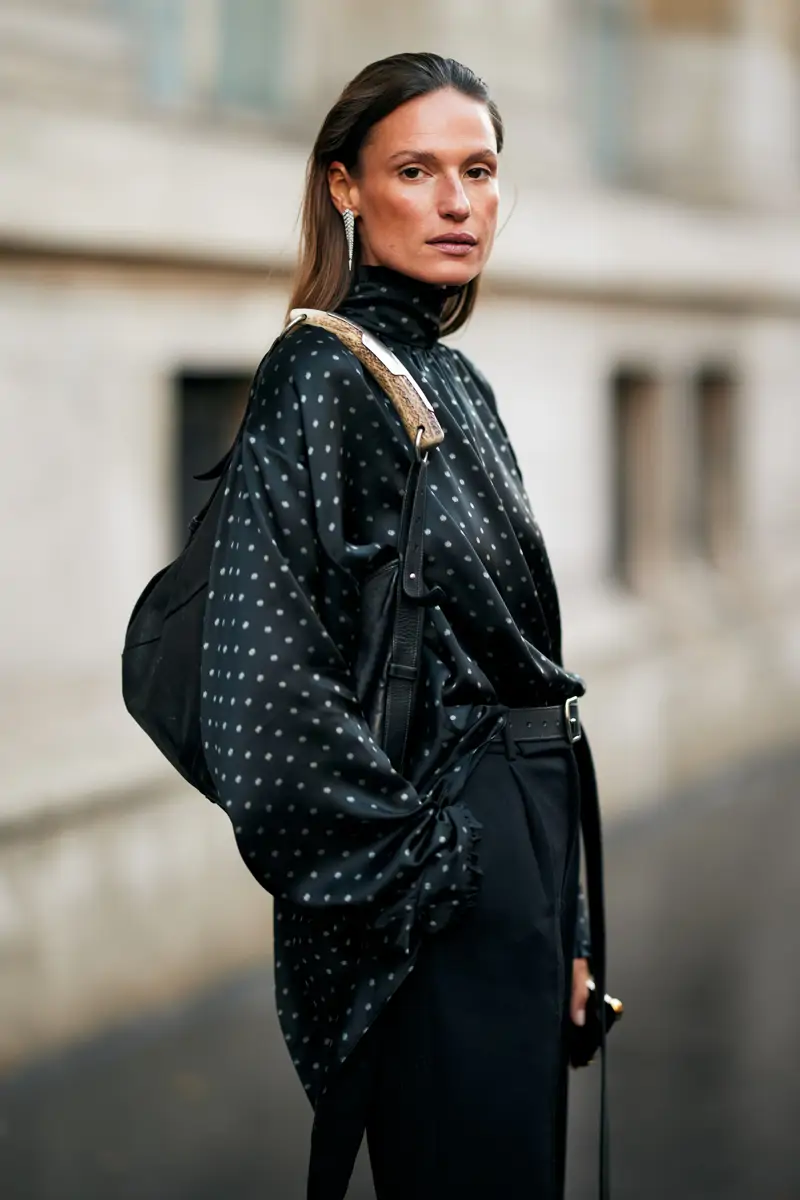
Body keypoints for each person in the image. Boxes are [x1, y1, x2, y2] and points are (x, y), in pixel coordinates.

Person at [200, 52, 604, 1200]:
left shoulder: (452, 379)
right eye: (415, 171)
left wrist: (567, 917)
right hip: (436, 869)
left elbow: (520, 672)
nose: (455, 201)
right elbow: (258, 689)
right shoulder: (317, 376)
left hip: (521, 851)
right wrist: (426, 869)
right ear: (345, 186)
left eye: (477, 170)